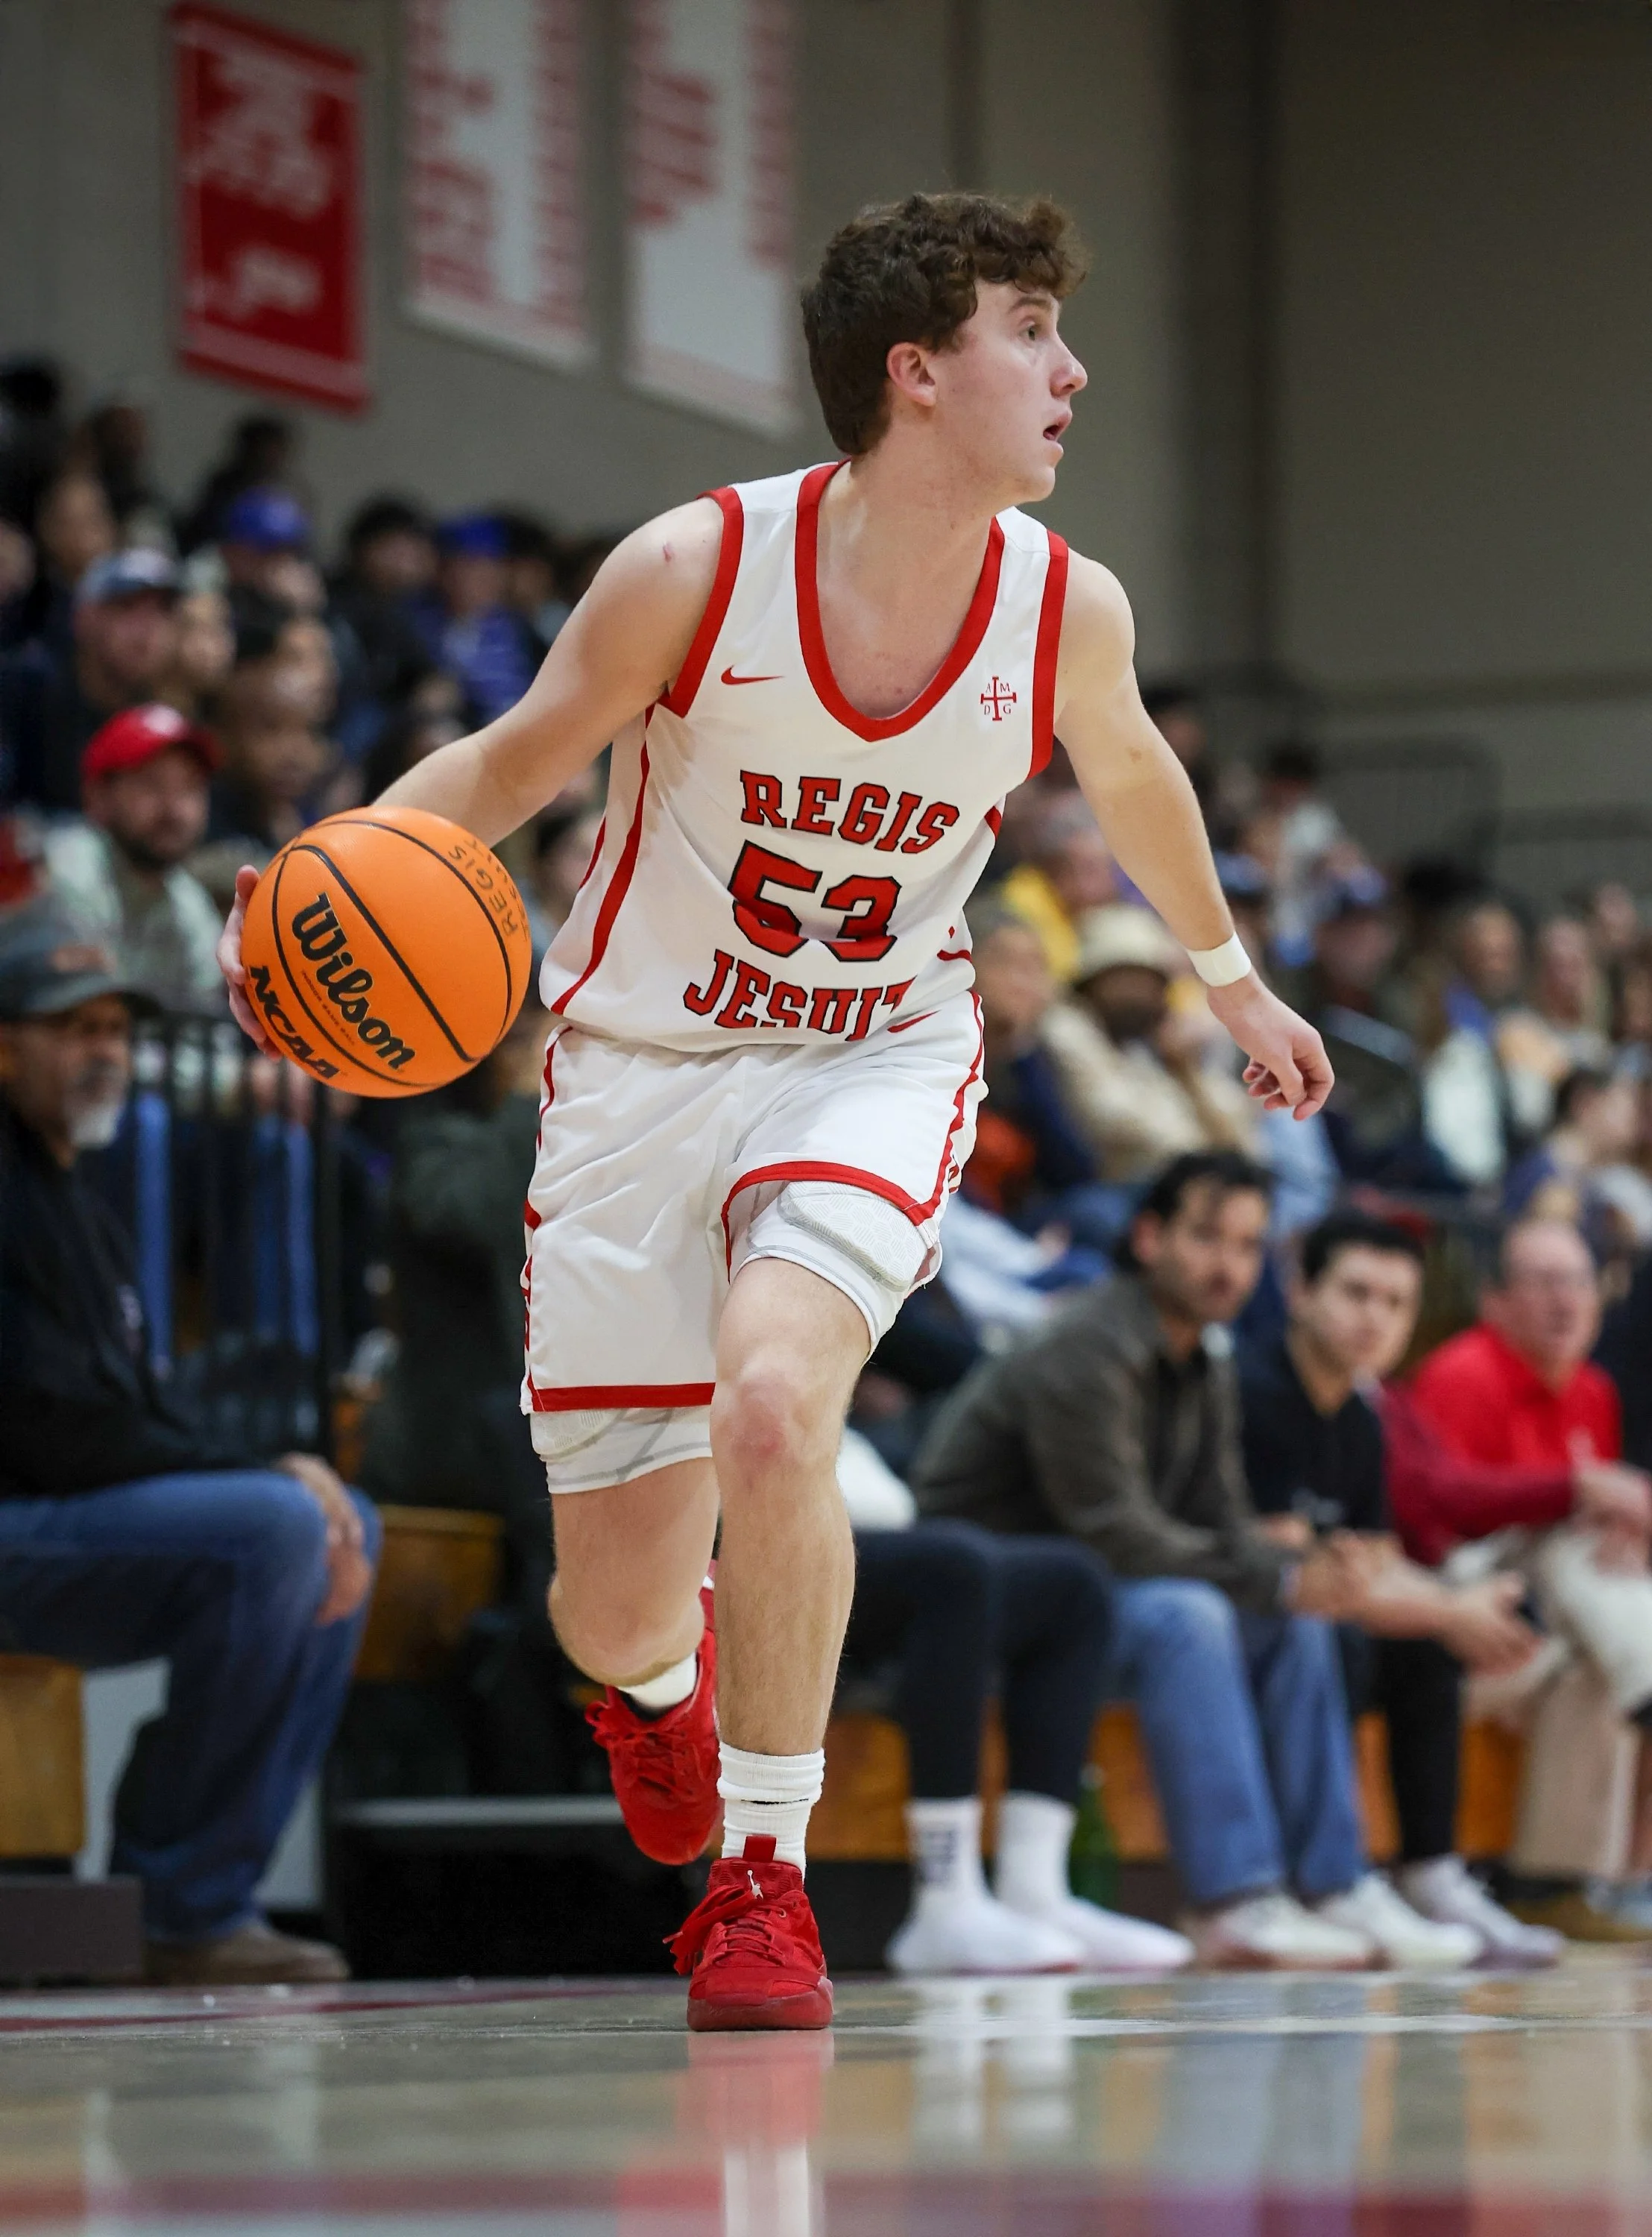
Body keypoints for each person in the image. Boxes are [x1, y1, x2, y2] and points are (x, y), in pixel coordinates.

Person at [219, 191, 1334, 2031]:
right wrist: (320, 888)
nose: (1069, 371)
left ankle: (761, 1879)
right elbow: (507, 763)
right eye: (1029, 332)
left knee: (771, 1397)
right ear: (915, 373)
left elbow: (1129, 775)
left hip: (874, 1050)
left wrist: (1227, 977)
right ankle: (656, 1696)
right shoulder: (693, 567)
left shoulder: (1066, 603)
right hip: (642, 1071)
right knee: (608, 1605)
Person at [912, 1153, 1475, 1971]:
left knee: (1296, 1622)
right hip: (1006, 1598)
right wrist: (1276, 1574)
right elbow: (1117, 1532)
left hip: (1103, 1590)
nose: (1228, 1265)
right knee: (1194, 1616)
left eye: (1248, 1246)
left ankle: (1332, 1885)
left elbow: (1219, 1520)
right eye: (1208, 1238)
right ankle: (1234, 1901)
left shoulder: (1201, 1360)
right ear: (1148, 1237)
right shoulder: (1087, 1346)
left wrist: (1310, 1573)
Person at [0, 902, 378, 1983]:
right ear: (3, 1045)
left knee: (341, 1522)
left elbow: (132, 1413)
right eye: (74, 1029)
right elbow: (49, 1424)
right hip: (21, 1512)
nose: (105, 1051)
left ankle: (198, 1889)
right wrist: (261, 1477)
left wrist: (284, 1476)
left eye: (116, 1030)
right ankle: (179, 1900)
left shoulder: (76, 1193)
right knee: (271, 1529)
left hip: (50, 1516)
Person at [1238, 1210, 1563, 1966]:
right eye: (1355, 1293)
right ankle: (1325, 1882)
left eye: (1395, 1303)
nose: (1373, 1319)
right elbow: (1292, 1571)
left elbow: (1374, 1563)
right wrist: (1451, 1609)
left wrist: (1460, 1611)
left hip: (1314, 1612)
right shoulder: (1253, 1392)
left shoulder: (1359, 1416)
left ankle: (1430, 1875)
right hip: (1245, 1616)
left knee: (1421, 1647)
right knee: (1339, 1636)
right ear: (1299, 1290)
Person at [837, 1446, 1194, 1977]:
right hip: (742, 1541)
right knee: (953, 1567)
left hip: (845, 1518)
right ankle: (944, 1901)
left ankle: (1034, 1890)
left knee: (1072, 1584)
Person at [1411, 1218, 1652, 1939]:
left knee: (1587, 1669)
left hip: (1546, 1633)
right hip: (1450, 1608)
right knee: (1564, 1541)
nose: (1564, 1301)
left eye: (1578, 1282)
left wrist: (1621, 1529)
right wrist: (1575, 1495)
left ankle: (1548, 1885)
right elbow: (1440, 1510)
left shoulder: (1592, 1391)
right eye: (1542, 1282)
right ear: (1493, 1301)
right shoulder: (1461, 1372)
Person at [1040, 903, 1257, 1183]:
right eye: (1124, 978)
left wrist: (1186, 1072)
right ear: (1093, 980)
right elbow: (1114, 1120)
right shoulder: (1065, 1028)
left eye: (1146, 981)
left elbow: (1241, 1134)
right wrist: (1211, 1160)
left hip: (1176, 1182)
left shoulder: (1149, 1040)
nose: (1136, 994)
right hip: (1103, 1189)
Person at [40, 704, 225, 1013]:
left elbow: (203, 1020)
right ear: (97, 795)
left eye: (189, 788)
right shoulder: (64, 866)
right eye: (151, 784)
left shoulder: (190, 906)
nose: (174, 808)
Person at [0, 548, 180, 811]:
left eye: (161, 611)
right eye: (126, 607)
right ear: (83, 617)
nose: (147, 628)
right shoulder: (22, 687)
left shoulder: (158, 715)